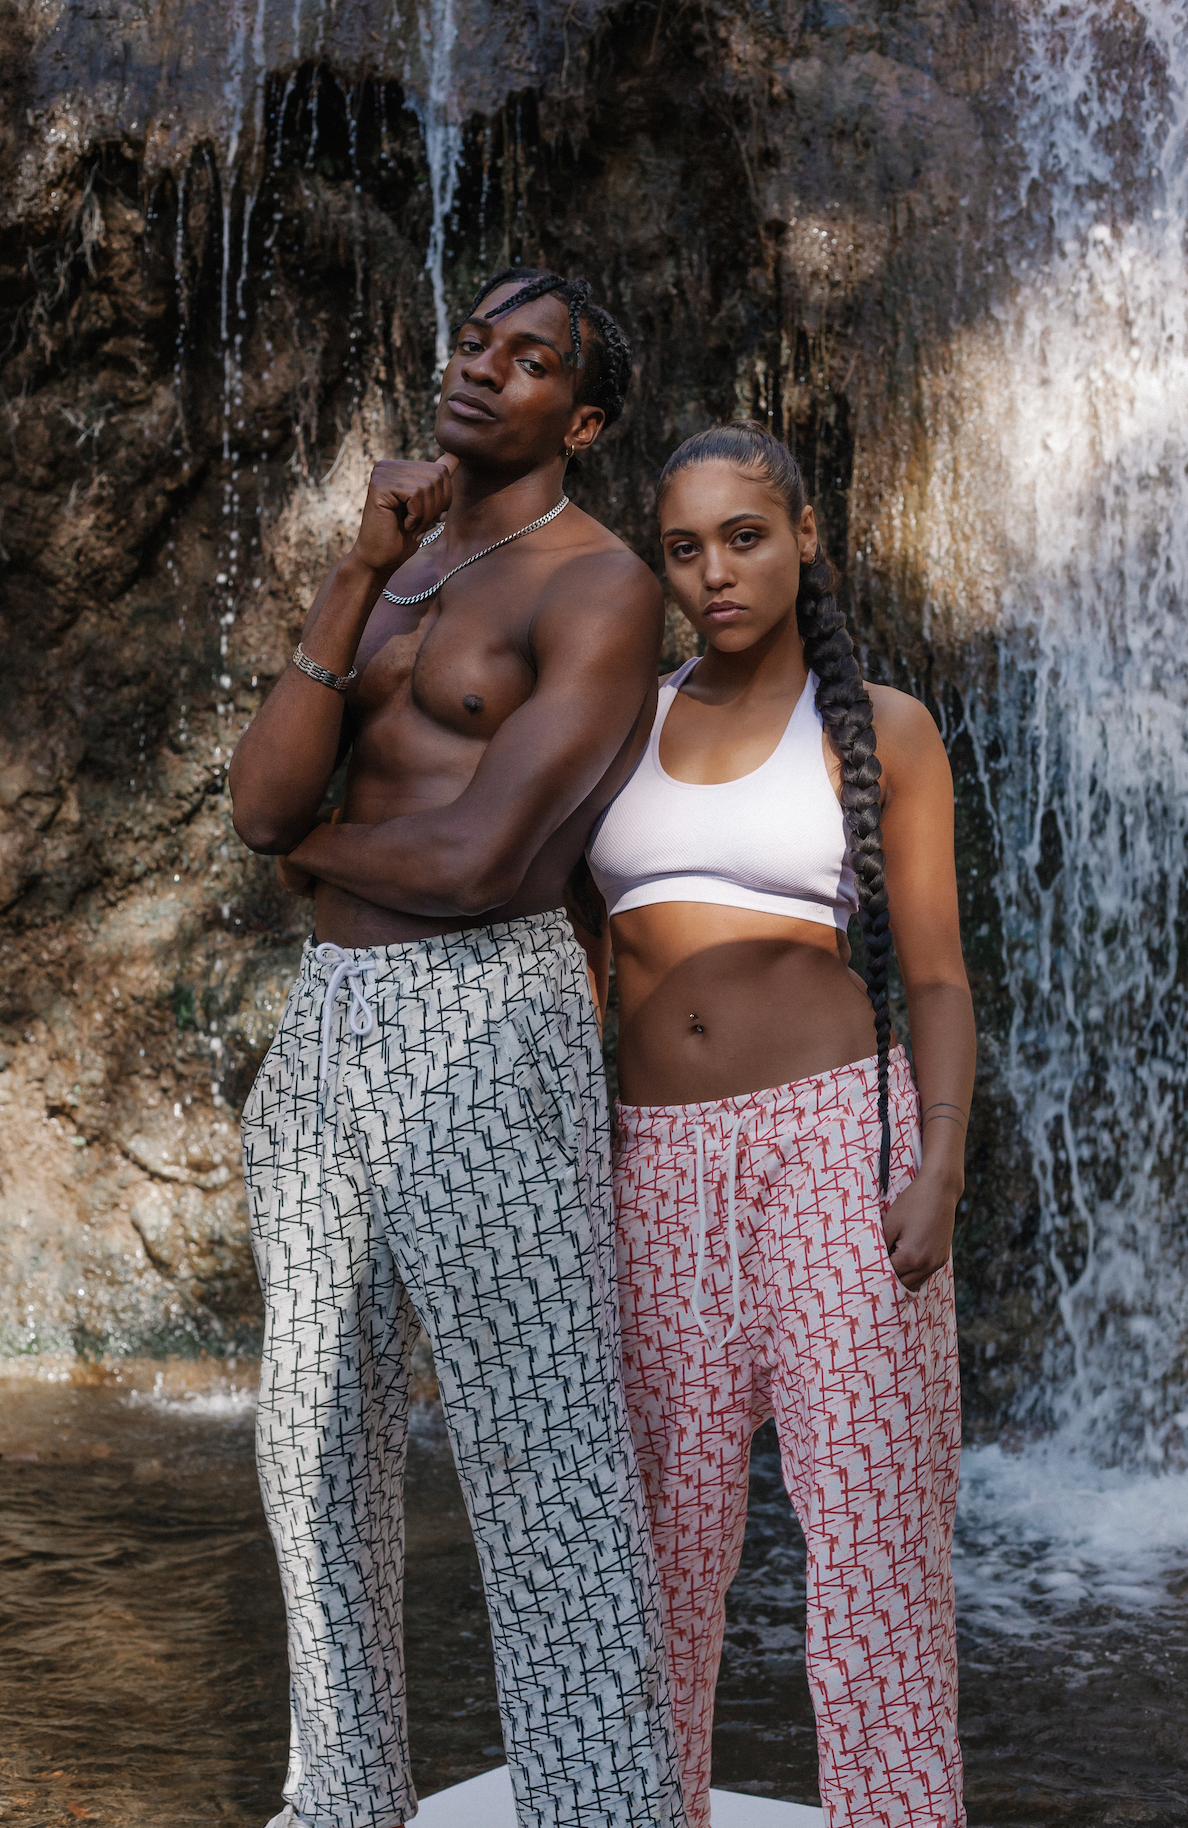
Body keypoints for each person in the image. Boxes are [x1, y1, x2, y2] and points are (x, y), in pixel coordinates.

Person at [228, 270, 688, 1828]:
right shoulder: (401, 570)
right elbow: (255, 805)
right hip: (331, 1026)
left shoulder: (603, 585)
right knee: (314, 1437)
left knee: (540, 1451)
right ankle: (341, 1795)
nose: (482, 371)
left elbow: (494, 863)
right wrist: (357, 571)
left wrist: (313, 853)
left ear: (587, 414)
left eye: (530, 359)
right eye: (475, 343)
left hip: (490, 1011)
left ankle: (600, 1809)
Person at [586, 420, 975, 1828]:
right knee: (661, 1559)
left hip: (834, 1148)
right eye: (684, 548)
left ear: (806, 536)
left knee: (870, 1557)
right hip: (651, 1164)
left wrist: (934, 1165)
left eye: (743, 537)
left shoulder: (880, 727)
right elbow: (578, 957)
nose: (714, 573)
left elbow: (934, 973)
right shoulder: (621, 715)